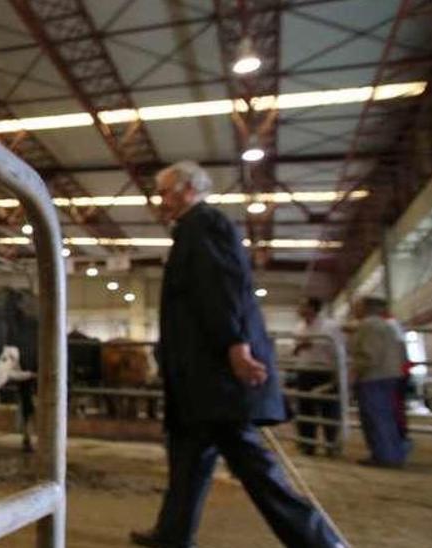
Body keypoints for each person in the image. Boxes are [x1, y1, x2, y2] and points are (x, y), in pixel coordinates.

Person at [131, 161, 344, 548]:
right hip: (199, 381)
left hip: (215, 378)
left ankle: (320, 542)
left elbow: (223, 289)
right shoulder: (190, 230)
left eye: (164, 191)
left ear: (186, 189)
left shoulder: (205, 225)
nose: (159, 201)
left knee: (255, 468)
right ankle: (172, 534)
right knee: (187, 459)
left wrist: (236, 346)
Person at [347, 296, 410, 468]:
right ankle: (392, 454)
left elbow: (369, 355)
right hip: (389, 375)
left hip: (373, 377)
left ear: (366, 308)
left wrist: (354, 372)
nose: (354, 310)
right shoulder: (386, 325)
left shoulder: (368, 326)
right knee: (387, 417)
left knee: (376, 417)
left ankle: (384, 455)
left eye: (357, 306)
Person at [292, 297, 345, 456]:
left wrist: (337, 374)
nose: (300, 309)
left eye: (303, 306)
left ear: (313, 308)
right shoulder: (299, 327)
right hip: (305, 370)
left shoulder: (330, 326)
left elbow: (338, 350)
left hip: (325, 371)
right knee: (305, 408)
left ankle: (331, 444)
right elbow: (294, 351)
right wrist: (299, 347)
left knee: (329, 408)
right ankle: (308, 444)